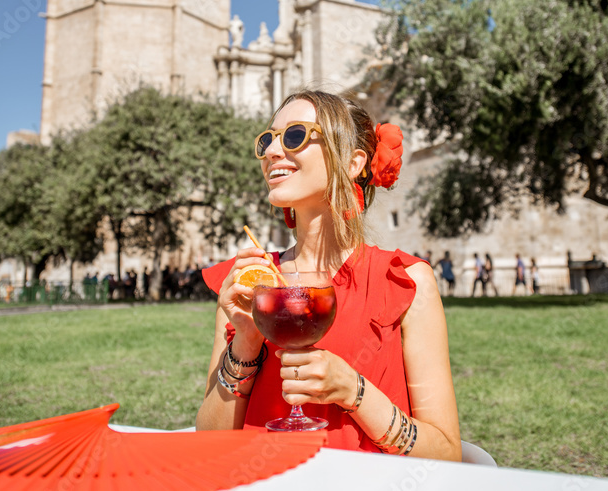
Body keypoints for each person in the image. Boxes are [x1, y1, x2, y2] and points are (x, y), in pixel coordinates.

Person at [196, 90, 461, 461]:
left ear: (353, 162)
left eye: (294, 136)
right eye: (268, 139)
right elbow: (209, 447)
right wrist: (244, 344)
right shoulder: (249, 282)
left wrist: (353, 391)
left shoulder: (405, 282)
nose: (272, 151)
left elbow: (446, 455)